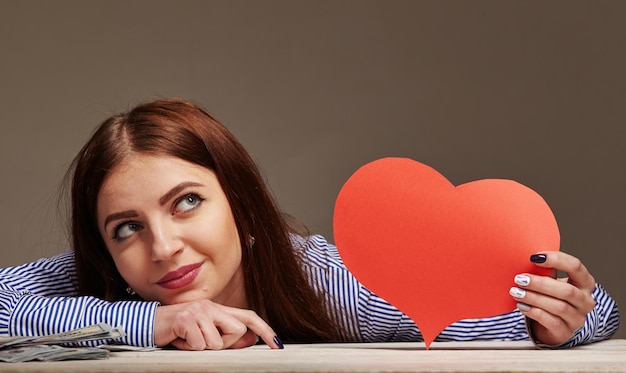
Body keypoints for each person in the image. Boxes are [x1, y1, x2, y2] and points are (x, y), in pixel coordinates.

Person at [0, 98, 619, 350]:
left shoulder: (330, 283)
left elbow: (598, 312)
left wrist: (555, 323)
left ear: (241, 206)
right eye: (125, 229)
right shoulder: (103, 290)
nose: (162, 246)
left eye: (186, 202)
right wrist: (154, 321)